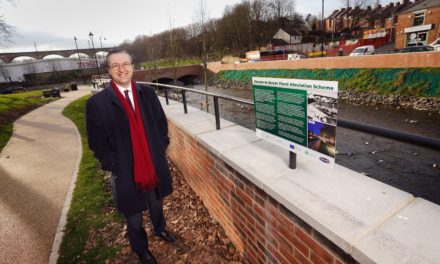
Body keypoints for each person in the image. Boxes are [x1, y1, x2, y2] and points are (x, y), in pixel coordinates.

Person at [86, 49, 175, 264]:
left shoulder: (148, 93)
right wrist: (114, 165)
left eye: (125, 63)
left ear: (133, 66)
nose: (121, 69)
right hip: (125, 171)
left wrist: (159, 148)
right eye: (115, 65)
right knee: (133, 216)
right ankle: (142, 250)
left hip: (152, 164)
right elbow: (97, 142)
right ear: (108, 70)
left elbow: (161, 125)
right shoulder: (97, 104)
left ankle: (159, 228)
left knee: (156, 204)